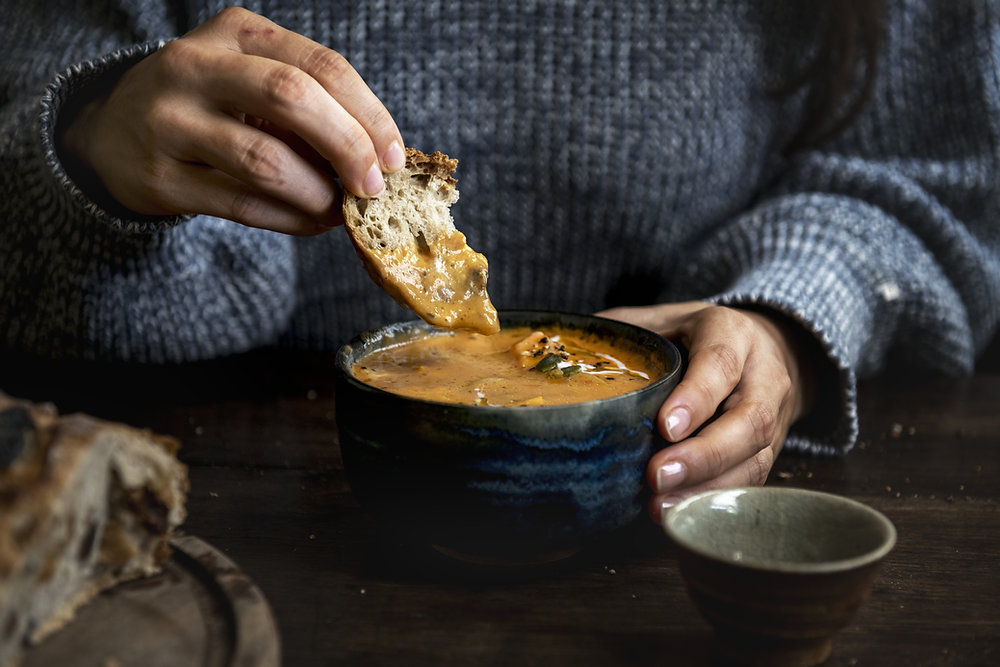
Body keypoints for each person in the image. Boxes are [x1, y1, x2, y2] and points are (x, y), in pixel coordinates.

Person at [1, 1, 998, 523]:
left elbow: (932, 171)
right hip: (227, 519)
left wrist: (782, 313)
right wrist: (84, 161)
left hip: (667, 536)